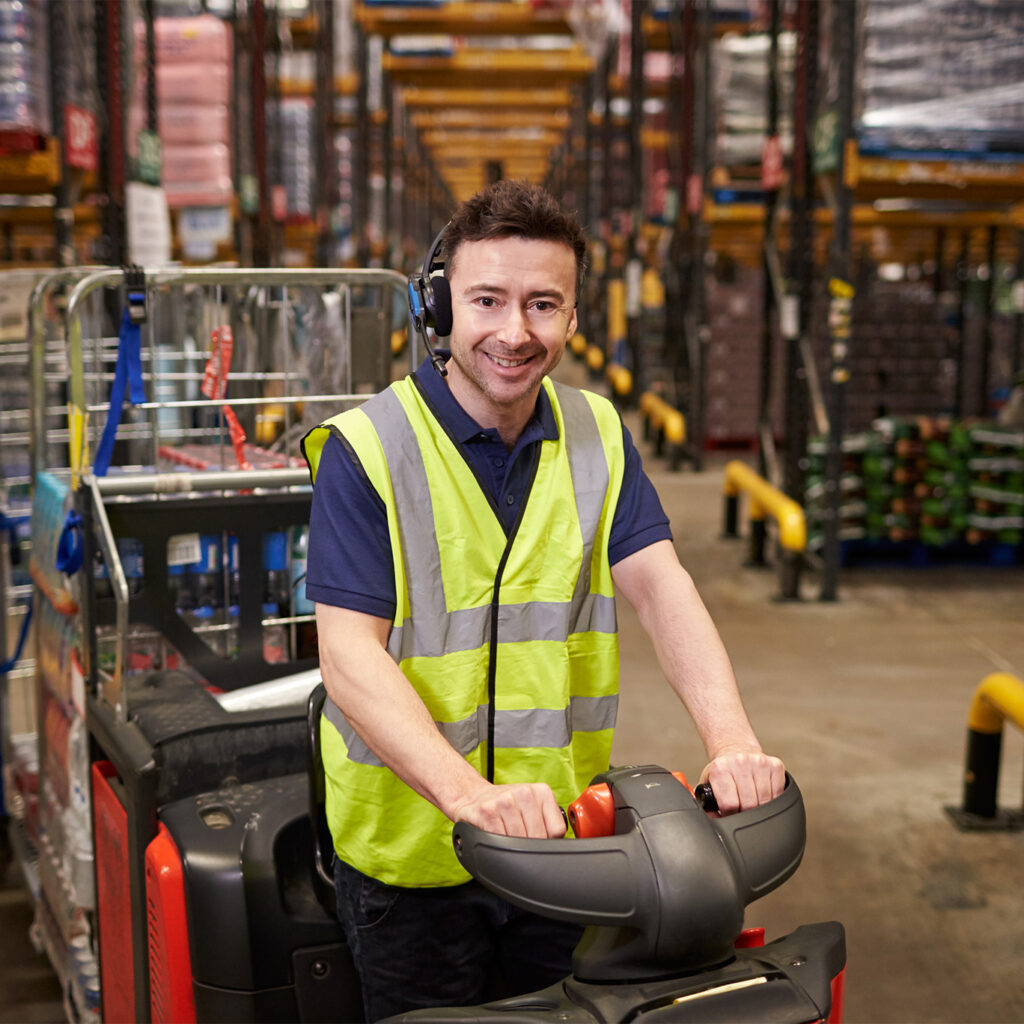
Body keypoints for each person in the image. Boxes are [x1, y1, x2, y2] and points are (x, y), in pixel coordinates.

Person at [301, 180, 785, 1020]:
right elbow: (347, 654)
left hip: (560, 846)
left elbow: (663, 588)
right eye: (487, 300)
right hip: (410, 859)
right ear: (440, 304)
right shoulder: (368, 449)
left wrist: (732, 739)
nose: (515, 332)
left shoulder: (598, 432)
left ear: (571, 318)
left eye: (542, 304)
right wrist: (467, 797)